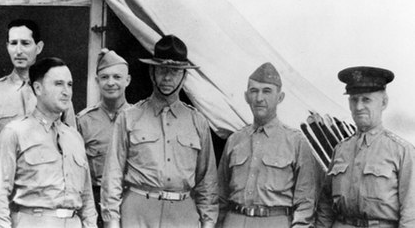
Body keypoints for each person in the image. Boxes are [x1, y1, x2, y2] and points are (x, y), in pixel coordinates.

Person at [0, 19, 76, 228]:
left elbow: (71, 155)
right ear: (7, 46)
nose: (18, 50)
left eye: (25, 43)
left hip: (45, 210)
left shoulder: (57, 95)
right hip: (2, 206)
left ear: (39, 47)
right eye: (13, 43)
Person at [101, 35, 218, 228]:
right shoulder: (129, 117)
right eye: (162, 70)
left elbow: (208, 183)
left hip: (183, 215)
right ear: (152, 71)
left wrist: (207, 224)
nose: (167, 78)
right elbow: (112, 175)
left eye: (175, 71)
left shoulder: (197, 121)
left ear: (184, 76)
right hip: (137, 213)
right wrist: (112, 222)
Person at [0, 57, 97, 228]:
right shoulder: (15, 133)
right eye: (58, 84)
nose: (67, 91)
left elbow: (87, 199)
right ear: (38, 88)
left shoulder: (74, 138)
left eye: (70, 84)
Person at [217, 63, 321, 228]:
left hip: (275, 222)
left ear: (280, 97)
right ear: (246, 96)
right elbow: (220, 196)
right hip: (234, 220)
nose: (259, 98)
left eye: (267, 91)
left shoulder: (296, 142)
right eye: (254, 91)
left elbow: (305, 203)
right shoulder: (234, 140)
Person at [316, 66, 415, 227]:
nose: (359, 106)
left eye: (366, 99)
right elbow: (325, 207)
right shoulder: (340, 149)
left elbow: (411, 214)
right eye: (354, 100)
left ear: (383, 103)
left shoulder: (402, 151)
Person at [77, 49, 131, 227]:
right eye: (104, 77)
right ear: (96, 81)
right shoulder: (84, 121)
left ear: (127, 80)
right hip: (96, 205)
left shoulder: (139, 118)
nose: (111, 83)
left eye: (117, 77)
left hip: (131, 203)